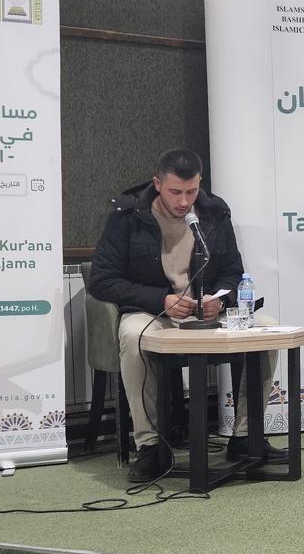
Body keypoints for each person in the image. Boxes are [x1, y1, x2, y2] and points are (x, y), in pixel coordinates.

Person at [89, 148, 287, 482]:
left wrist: (219, 301)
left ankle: (246, 436)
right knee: (134, 336)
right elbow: (102, 281)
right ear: (157, 184)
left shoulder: (214, 213)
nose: (184, 201)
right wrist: (160, 299)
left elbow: (232, 272)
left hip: (205, 314)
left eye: (191, 192)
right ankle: (150, 446)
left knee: (267, 329)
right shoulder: (128, 217)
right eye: (175, 192)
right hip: (153, 311)